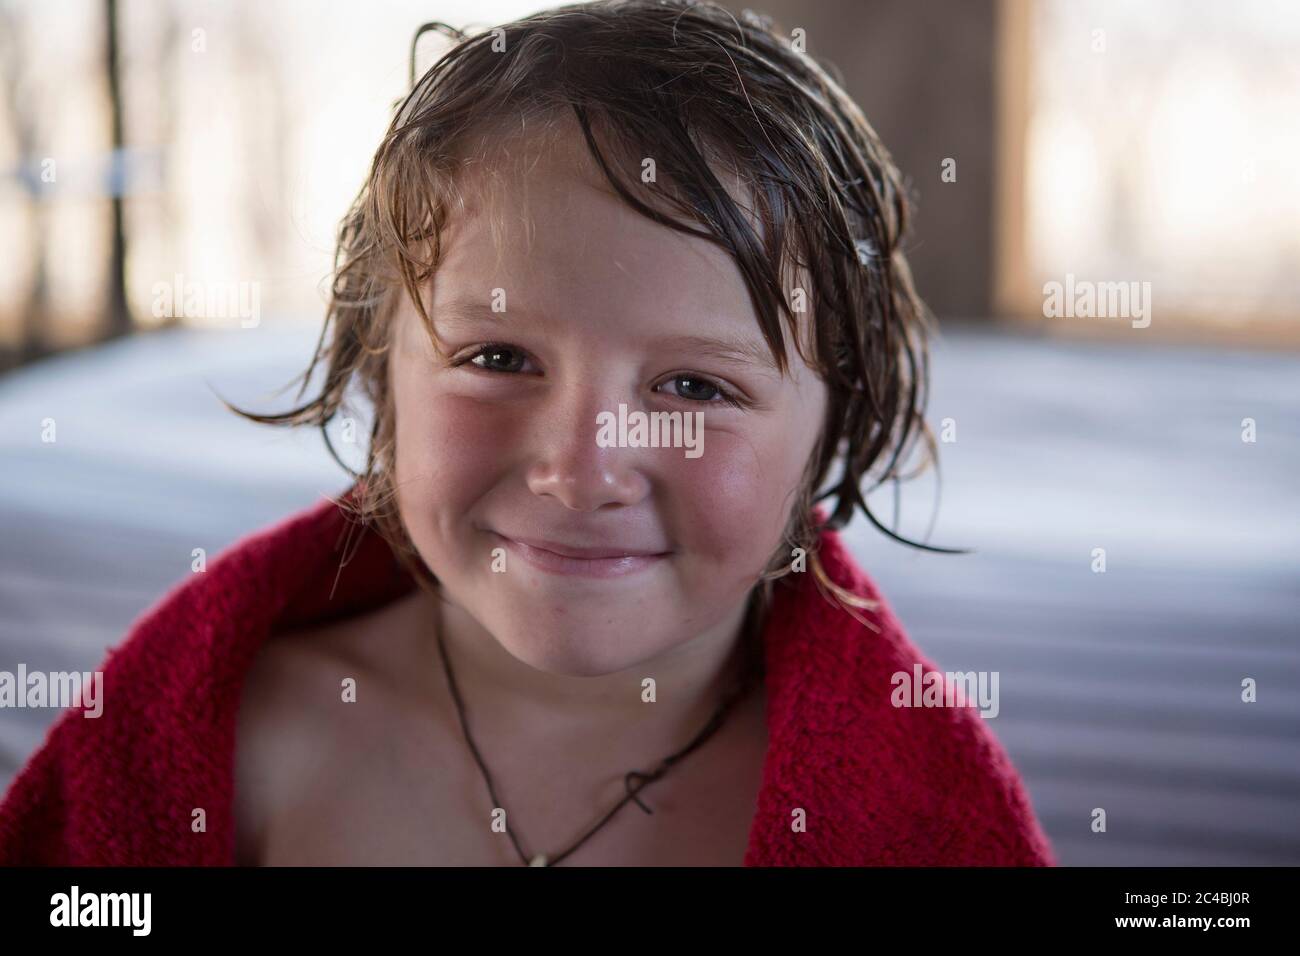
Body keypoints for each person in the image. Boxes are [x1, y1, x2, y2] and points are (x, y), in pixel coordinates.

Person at [0, 0, 1055, 867]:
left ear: (838, 424)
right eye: (498, 358)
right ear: (382, 373)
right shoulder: (247, 742)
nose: (579, 469)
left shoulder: (917, 814)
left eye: (693, 384)